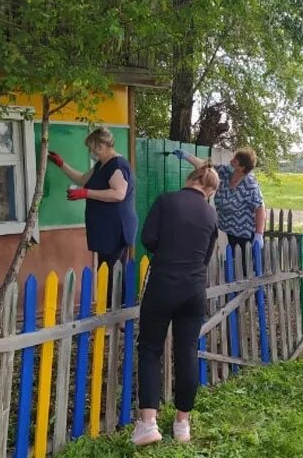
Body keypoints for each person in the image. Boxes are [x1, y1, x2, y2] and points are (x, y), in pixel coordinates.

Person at [131, 164, 220, 446]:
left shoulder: (166, 201)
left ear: (190, 179)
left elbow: (148, 239)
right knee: (188, 351)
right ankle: (182, 424)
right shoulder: (210, 214)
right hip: (194, 289)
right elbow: (206, 255)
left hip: (162, 286)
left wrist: (167, 248)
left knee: (149, 349)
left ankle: (148, 424)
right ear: (209, 189)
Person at [47, 127, 137, 306]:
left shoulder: (117, 165)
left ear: (102, 145)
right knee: (107, 270)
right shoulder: (101, 165)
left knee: (112, 272)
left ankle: (116, 317)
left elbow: (119, 193)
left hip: (116, 228)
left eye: (92, 148)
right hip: (106, 228)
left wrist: (86, 194)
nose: (91, 152)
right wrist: (61, 164)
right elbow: (82, 180)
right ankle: (113, 315)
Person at [172, 147, 266, 253]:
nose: (230, 161)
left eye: (235, 161)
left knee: (244, 264)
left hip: (245, 234)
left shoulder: (249, 185)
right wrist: (187, 156)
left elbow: (260, 208)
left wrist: (259, 234)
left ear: (241, 167)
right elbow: (204, 167)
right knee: (234, 260)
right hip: (230, 230)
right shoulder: (225, 172)